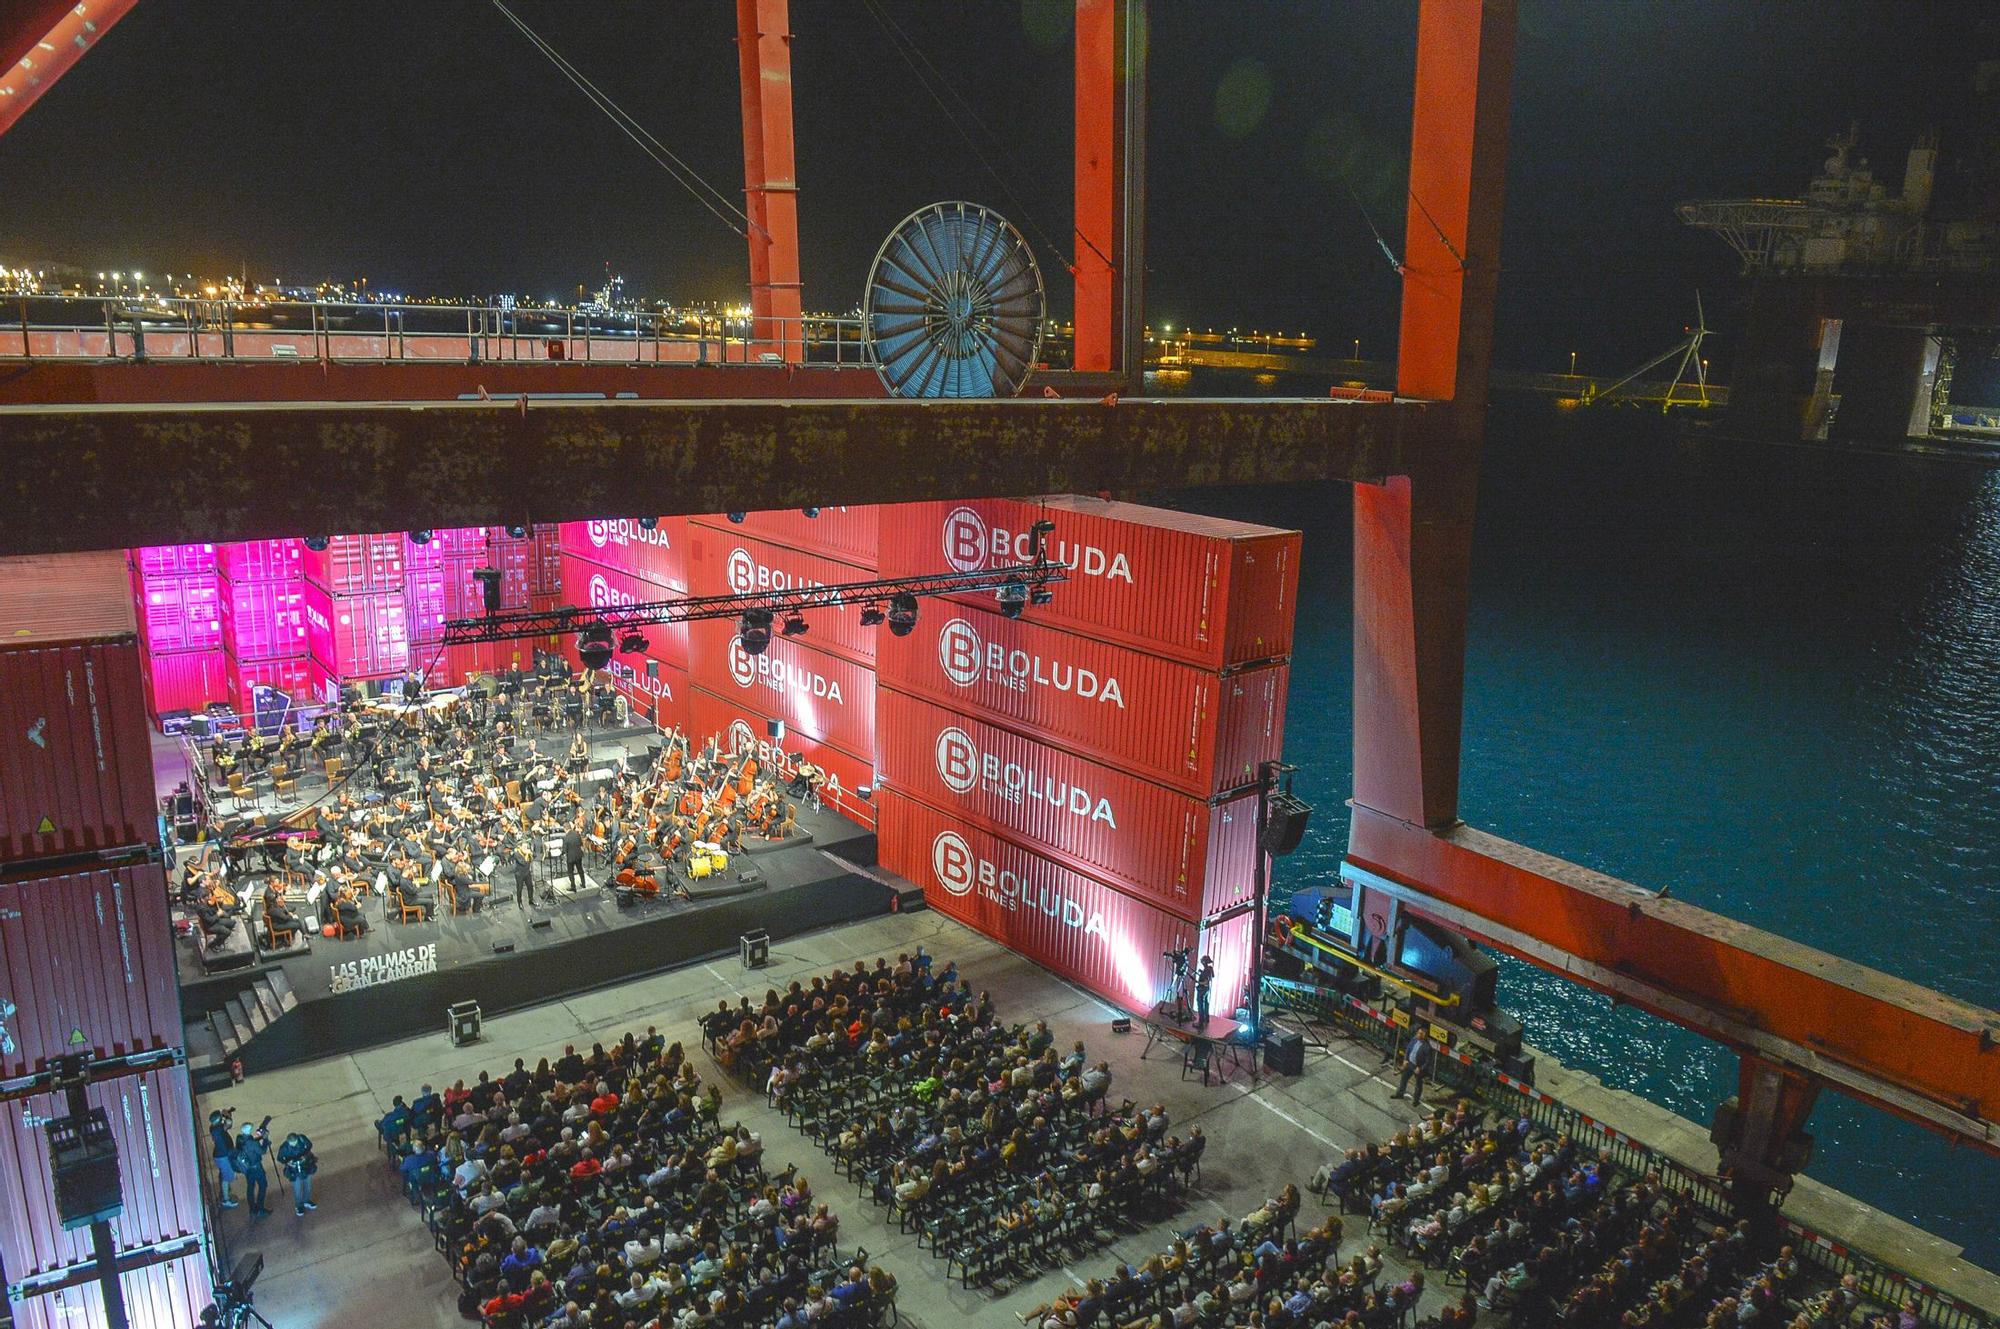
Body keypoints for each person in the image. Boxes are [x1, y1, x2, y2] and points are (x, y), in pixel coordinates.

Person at [235, 1121, 272, 1217]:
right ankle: (260, 1208)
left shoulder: (240, 1139)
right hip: (256, 1167)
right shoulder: (252, 1143)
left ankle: (252, 1209)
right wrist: (265, 1140)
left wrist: (257, 1137)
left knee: (250, 1188)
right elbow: (262, 1151)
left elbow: (249, 1144)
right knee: (262, 1186)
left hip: (247, 1169)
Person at [277, 1130, 318, 1215]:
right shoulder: (284, 1147)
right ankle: (299, 1206)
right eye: (291, 1143)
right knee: (297, 1189)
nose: (293, 1144)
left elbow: (309, 1145)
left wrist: (304, 1156)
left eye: (295, 1143)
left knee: (308, 1185)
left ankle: (307, 1201)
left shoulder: (302, 1139)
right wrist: (288, 1162)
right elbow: (280, 1158)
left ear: (297, 1139)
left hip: (306, 1166)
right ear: (287, 1141)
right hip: (294, 1171)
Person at [1392, 1030, 1434, 1104]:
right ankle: (1399, 1094)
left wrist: (1420, 1068)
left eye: (1421, 1034)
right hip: (1409, 1063)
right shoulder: (1414, 1039)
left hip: (1418, 1067)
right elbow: (1408, 1049)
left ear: (1424, 1036)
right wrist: (1405, 1060)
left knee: (1418, 1084)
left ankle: (1416, 1100)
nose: (1418, 1035)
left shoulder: (1427, 1047)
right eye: (1418, 1033)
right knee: (1403, 1079)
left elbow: (1428, 1061)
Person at [209, 1111, 240, 1208]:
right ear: (219, 1119)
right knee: (226, 1178)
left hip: (221, 1154)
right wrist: (227, 1116)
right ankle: (226, 1200)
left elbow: (227, 1126)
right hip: (223, 1156)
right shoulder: (218, 1128)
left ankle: (225, 1193)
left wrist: (225, 1116)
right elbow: (229, 1124)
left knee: (224, 1175)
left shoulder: (213, 1127)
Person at [561, 822, 585, 892]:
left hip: (571, 857)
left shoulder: (566, 837)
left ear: (565, 829)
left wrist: (561, 852)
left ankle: (573, 886)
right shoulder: (577, 834)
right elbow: (581, 843)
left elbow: (564, 850)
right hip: (578, 855)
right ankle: (583, 884)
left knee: (570, 872)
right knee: (580, 869)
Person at [1194, 955, 1215, 1026]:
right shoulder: (1210, 969)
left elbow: (1206, 982)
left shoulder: (1206, 970)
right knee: (1206, 1003)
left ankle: (1200, 1022)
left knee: (1200, 1004)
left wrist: (1198, 982)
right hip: (1207, 989)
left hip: (1202, 989)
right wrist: (1201, 972)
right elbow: (1212, 976)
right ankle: (1206, 1018)